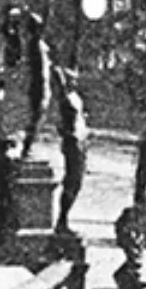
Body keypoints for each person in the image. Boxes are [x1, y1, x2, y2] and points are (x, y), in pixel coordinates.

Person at [52, 66, 88, 236]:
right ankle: (62, 221)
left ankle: (63, 220)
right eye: (70, 79)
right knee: (72, 181)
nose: (74, 81)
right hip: (74, 142)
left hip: (79, 141)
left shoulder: (74, 98)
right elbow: (65, 124)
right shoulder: (65, 100)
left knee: (76, 182)